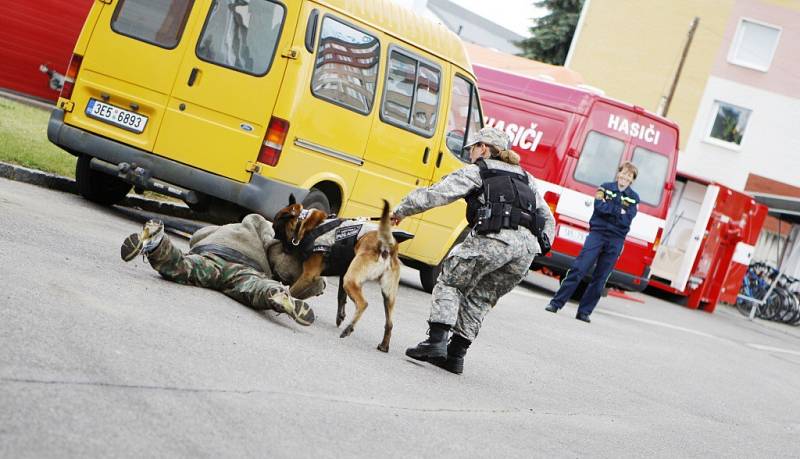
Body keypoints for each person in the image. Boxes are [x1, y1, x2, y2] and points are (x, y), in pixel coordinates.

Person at [391, 127, 555, 375]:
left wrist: (401, 210)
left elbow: (438, 193)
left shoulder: (479, 170)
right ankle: (456, 356)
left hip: (494, 239)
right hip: (525, 252)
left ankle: (435, 343)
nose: (470, 152)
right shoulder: (526, 177)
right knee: (481, 296)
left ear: (485, 149)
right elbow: (548, 218)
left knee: (449, 281)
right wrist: (540, 245)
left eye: (473, 147)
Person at [119, 214, 326, 326]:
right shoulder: (267, 230)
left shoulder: (225, 228)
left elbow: (197, 236)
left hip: (211, 251)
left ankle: (156, 244)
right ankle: (278, 295)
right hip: (244, 264)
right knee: (254, 286)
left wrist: (202, 248)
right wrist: (316, 284)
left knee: (182, 267)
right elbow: (282, 264)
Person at [544, 162, 640, 323]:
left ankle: (584, 312)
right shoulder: (605, 187)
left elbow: (627, 219)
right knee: (578, 269)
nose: (625, 177)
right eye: (623, 173)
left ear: (632, 180)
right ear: (618, 174)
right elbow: (599, 208)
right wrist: (617, 211)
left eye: (629, 175)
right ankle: (556, 303)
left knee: (601, 278)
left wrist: (610, 209)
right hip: (598, 234)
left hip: (616, 240)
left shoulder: (634, 198)